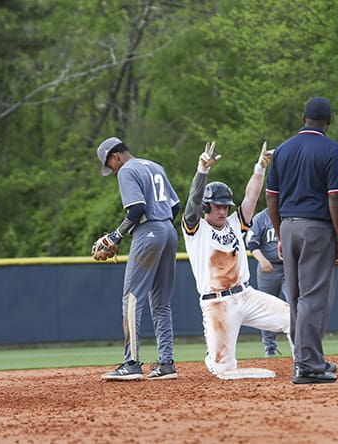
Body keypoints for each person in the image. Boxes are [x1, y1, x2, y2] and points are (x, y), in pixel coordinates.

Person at [182, 140, 291, 377]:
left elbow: (251, 197)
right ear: (207, 207)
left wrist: (260, 168)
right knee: (224, 371)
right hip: (217, 304)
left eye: (226, 207)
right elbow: (192, 201)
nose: (223, 211)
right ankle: (215, 358)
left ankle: (307, 364)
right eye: (218, 206)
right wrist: (202, 170)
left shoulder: (233, 223)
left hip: (246, 295)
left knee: (293, 318)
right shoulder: (195, 229)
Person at [265, 96, 338, 384]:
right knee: (314, 298)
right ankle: (308, 365)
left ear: (303, 119)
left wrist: (278, 232)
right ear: (329, 122)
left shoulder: (284, 150)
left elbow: (271, 197)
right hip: (316, 229)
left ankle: (308, 358)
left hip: (288, 226)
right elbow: (336, 197)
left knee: (298, 298)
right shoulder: (332, 150)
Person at [92, 136, 181, 381]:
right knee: (161, 303)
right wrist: (162, 228)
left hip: (149, 231)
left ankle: (131, 363)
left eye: (111, 164)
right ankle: (166, 363)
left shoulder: (127, 170)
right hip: (169, 232)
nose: (113, 169)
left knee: (131, 299)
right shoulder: (155, 166)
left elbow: (137, 209)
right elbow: (175, 207)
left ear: (115, 156)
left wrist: (115, 236)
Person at [245, 208, 288, 357]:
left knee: (294, 304)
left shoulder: (290, 215)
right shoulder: (261, 218)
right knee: (266, 309)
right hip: (267, 268)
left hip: (289, 268)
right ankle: (269, 347)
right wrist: (262, 259)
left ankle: (299, 345)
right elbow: (252, 242)